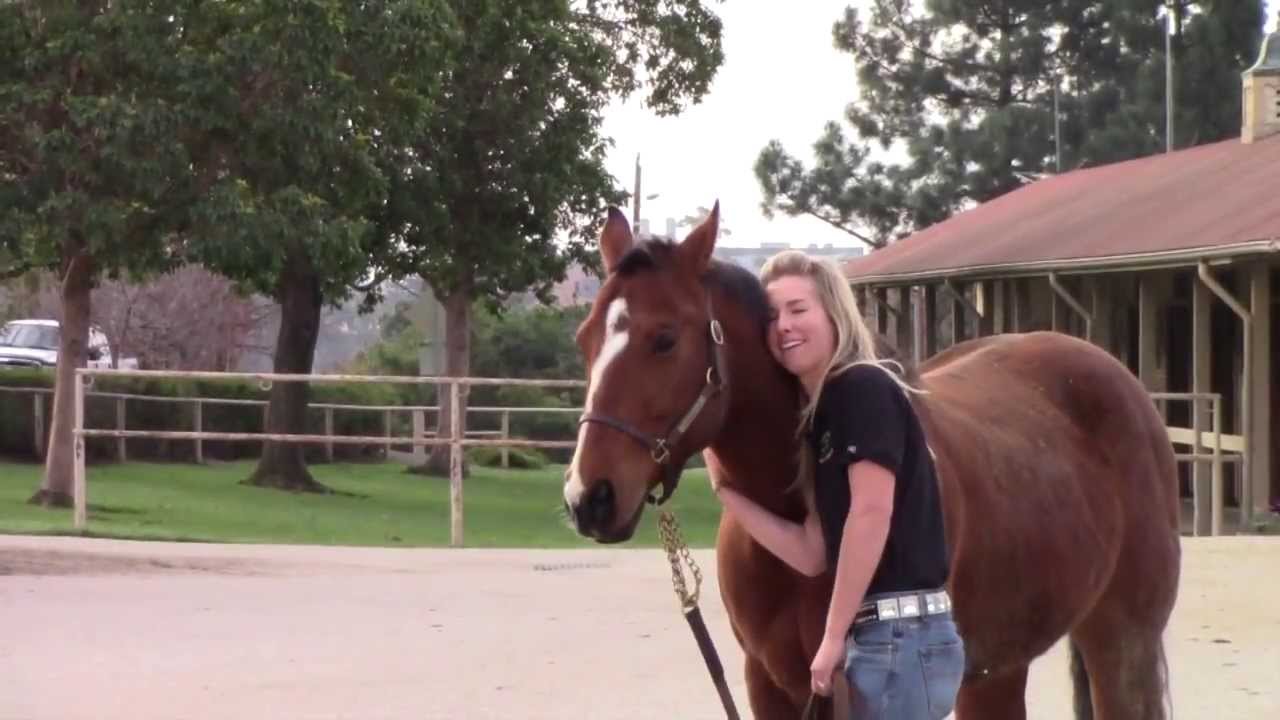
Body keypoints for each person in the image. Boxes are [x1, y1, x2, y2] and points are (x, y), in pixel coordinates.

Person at [707, 250, 964, 719]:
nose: (783, 325)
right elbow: (811, 552)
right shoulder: (826, 416)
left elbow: (871, 514)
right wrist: (726, 491)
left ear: (834, 313)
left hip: (901, 637)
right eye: (774, 315)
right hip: (883, 640)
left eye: (798, 309)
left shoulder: (863, 388)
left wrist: (829, 638)